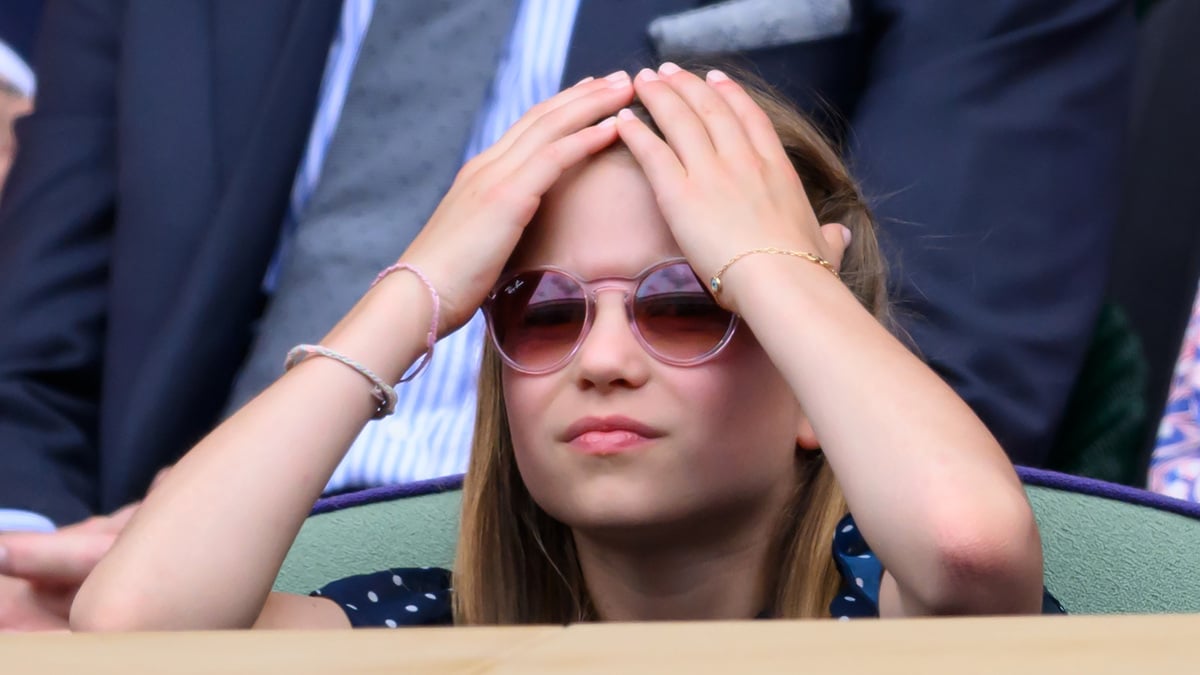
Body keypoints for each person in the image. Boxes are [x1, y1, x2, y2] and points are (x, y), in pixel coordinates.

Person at [1, 0, 1125, 628]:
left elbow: (970, 542)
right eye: (538, 315)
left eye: (688, 304)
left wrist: (769, 263)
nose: (602, 359)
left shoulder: (887, 612)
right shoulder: (421, 623)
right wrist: (421, 286)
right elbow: (136, 631)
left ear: (805, 372)